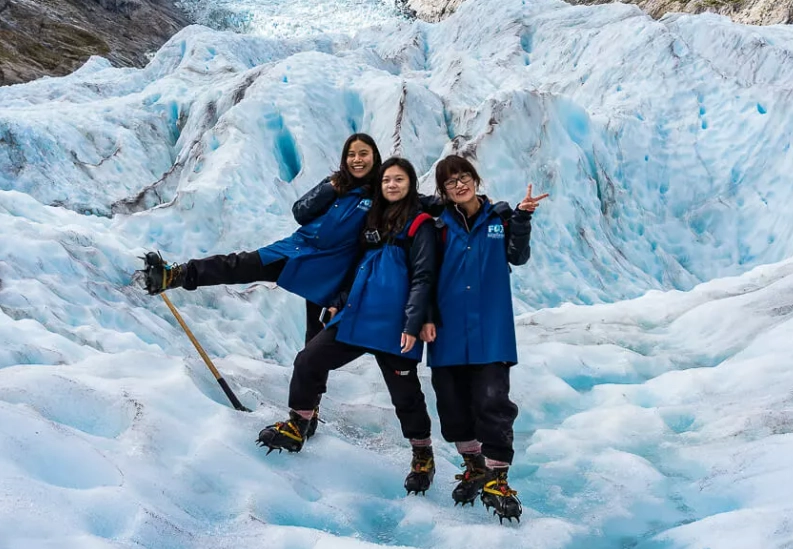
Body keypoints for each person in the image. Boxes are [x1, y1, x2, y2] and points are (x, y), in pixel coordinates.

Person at [140, 133, 383, 436]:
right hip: (297, 250)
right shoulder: (335, 185)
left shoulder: (379, 197)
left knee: (314, 344)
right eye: (352, 154)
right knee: (242, 264)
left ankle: (304, 416)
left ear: (375, 158)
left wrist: (344, 294)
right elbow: (300, 212)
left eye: (364, 154)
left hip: (330, 271)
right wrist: (330, 187)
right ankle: (176, 275)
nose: (357, 160)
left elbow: (374, 246)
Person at [256, 157, 438, 495]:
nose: (392, 185)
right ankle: (299, 423)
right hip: (357, 313)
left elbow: (424, 276)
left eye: (399, 180)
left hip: (395, 323)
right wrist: (339, 297)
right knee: (309, 359)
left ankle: (422, 455)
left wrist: (413, 324)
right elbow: (358, 263)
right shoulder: (374, 221)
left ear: (411, 184)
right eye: (386, 181)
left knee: (406, 395)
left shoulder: (421, 225)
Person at [420, 154, 548, 523]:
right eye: (450, 182)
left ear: (475, 179)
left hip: (491, 330)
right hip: (447, 330)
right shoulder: (437, 225)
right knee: (452, 406)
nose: (459, 185)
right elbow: (424, 274)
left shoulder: (500, 219)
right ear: (443, 190)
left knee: (493, 401)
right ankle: (474, 465)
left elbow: (517, 256)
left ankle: (497, 477)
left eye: (464, 177)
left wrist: (522, 218)